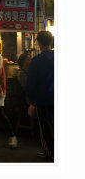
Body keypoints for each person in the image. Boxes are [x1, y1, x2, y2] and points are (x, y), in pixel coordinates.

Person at [26, 31, 54, 160]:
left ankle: (49, 152)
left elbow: (31, 81)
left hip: (43, 99)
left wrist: (31, 99)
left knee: (46, 127)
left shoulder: (37, 61)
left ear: (39, 43)